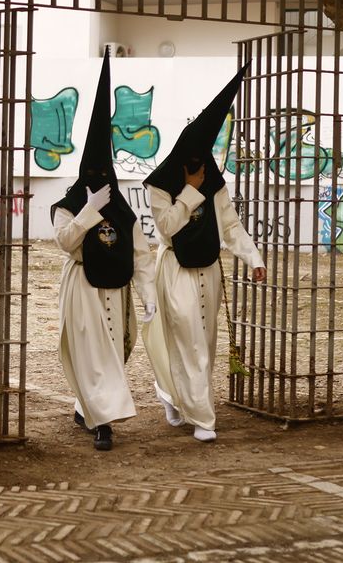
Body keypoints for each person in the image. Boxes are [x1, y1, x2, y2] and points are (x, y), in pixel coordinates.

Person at [144, 63, 266, 442]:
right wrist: (190, 191)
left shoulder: (214, 184)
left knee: (205, 343)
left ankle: (173, 395)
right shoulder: (161, 185)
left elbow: (230, 227)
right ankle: (203, 418)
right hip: (175, 270)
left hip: (208, 272)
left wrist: (254, 258)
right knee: (187, 339)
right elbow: (167, 227)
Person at [52, 50, 156, 451]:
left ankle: (88, 405)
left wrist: (148, 297)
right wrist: (88, 213)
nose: (97, 184)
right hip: (83, 289)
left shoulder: (123, 211)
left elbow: (142, 255)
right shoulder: (68, 204)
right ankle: (104, 423)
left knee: (114, 352)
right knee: (92, 354)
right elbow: (64, 242)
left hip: (117, 292)